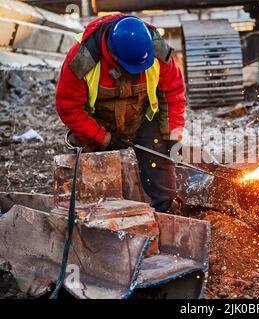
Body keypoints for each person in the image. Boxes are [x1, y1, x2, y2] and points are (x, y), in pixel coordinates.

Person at [55, 14, 186, 213]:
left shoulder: (157, 50)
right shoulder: (83, 59)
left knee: (158, 153)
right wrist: (104, 138)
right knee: (95, 173)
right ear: (113, 55)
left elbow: (173, 92)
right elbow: (69, 108)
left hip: (141, 117)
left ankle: (166, 208)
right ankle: (96, 215)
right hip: (97, 122)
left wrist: (172, 134)